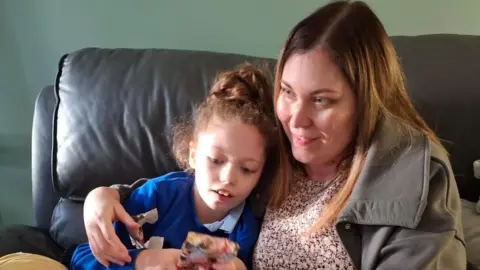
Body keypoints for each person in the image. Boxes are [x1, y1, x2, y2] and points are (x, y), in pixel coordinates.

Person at [81, 1, 467, 269]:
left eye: (322, 100)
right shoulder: (274, 145)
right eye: (287, 92)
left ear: (367, 101)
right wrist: (104, 195)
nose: (295, 119)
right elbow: (182, 193)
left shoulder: (414, 174)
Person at [70, 64, 278, 270]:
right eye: (215, 160)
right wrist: (143, 261)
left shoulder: (244, 230)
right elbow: (84, 258)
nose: (228, 178)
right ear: (193, 155)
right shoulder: (158, 196)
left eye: (247, 169)